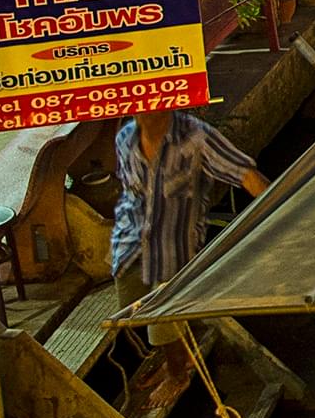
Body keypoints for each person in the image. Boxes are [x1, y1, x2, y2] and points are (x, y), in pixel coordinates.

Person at [111, 110, 268, 349]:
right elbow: (129, 191)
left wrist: (283, 213)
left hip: (175, 246)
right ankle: (173, 348)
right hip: (132, 241)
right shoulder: (125, 139)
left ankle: (177, 367)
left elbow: (246, 175)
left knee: (163, 318)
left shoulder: (195, 136)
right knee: (129, 312)